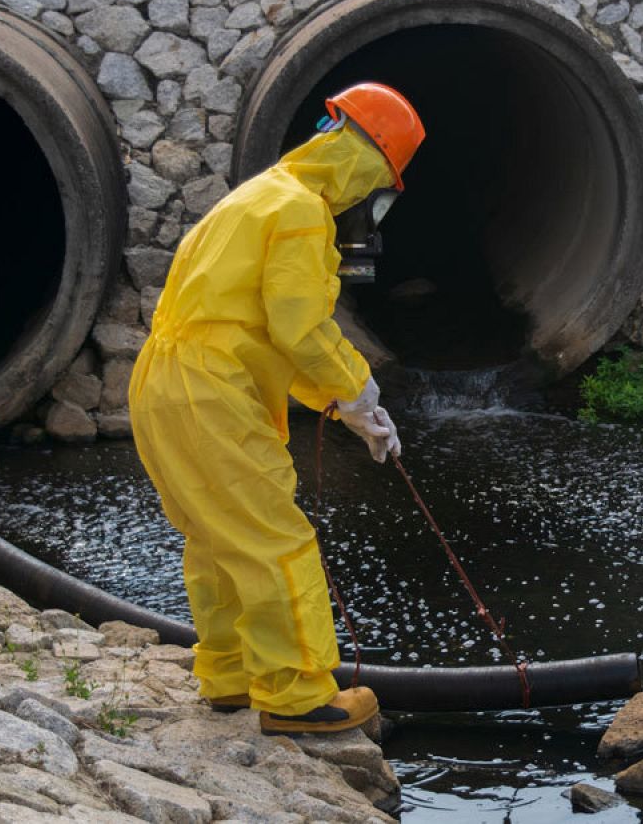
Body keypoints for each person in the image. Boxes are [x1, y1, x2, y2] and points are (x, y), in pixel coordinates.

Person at [128, 83, 424, 734]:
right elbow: (298, 327)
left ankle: (231, 678)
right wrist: (357, 385)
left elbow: (253, 327)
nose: (367, 199)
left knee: (216, 539)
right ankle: (294, 697)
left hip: (163, 378)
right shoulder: (300, 211)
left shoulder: (256, 196)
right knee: (274, 540)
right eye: (379, 181)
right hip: (212, 389)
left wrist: (341, 405)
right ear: (365, 161)